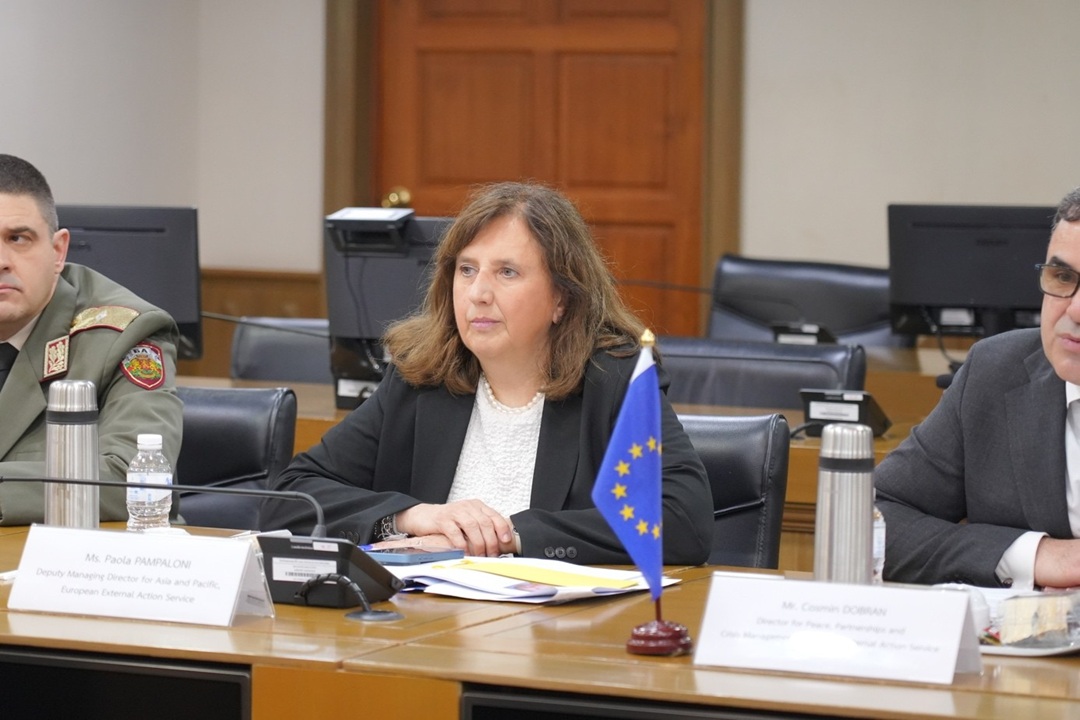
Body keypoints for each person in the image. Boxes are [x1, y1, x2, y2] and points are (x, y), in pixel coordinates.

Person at [260, 181, 713, 565]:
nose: (478, 293)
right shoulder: (422, 380)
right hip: (424, 625)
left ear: (562, 298)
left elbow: (681, 520)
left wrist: (510, 537)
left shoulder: (614, 382)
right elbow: (290, 498)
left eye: (507, 272)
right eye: (467, 270)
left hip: (558, 630)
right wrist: (413, 517)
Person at [875, 185, 1080, 590]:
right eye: (1062, 277)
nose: (1074, 310)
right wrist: (1032, 555)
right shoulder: (996, 372)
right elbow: (878, 517)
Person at [0, 154, 183, 525]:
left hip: (82, 556)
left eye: (18, 239)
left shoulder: (125, 334)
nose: (1, 260)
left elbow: (132, 478)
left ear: (58, 251)